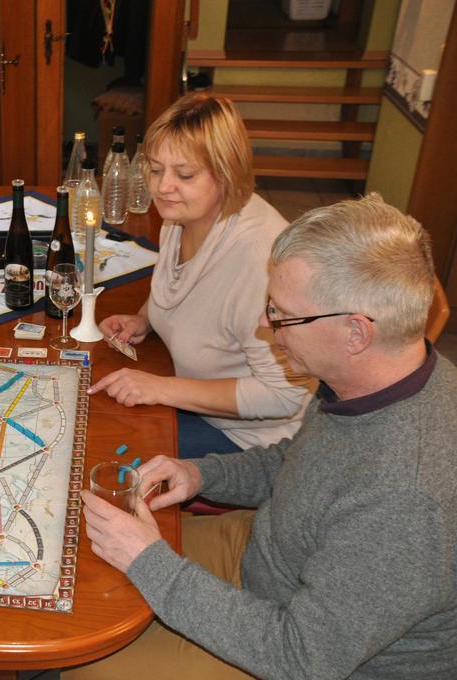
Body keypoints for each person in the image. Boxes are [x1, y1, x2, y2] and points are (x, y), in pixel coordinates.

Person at [68, 194, 457, 679]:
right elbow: (300, 461)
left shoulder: (403, 502)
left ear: (356, 333)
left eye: (282, 315)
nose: (263, 326)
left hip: (292, 649)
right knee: (79, 568)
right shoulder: (377, 378)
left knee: (80, 652)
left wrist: (149, 561)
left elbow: (300, 658)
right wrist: (198, 473)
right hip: (271, 562)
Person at [91, 92, 313, 458]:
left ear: (226, 173)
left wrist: (160, 388)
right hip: (190, 399)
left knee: (100, 446)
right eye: (156, 169)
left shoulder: (261, 262)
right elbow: (187, 285)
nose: (162, 187)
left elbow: (283, 395)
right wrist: (146, 318)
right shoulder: (183, 212)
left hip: (248, 440)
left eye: (185, 174)